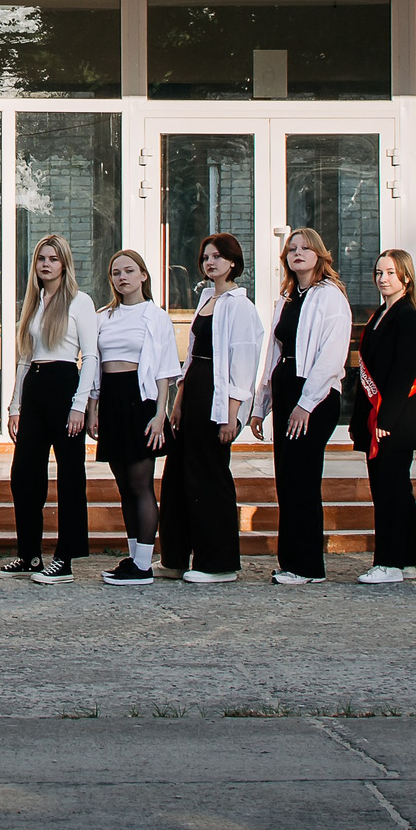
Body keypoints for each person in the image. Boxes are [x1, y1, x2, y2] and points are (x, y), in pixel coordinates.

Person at [158, 232, 261, 586]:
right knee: (177, 478)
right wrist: (178, 402)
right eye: (205, 257)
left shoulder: (240, 306)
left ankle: (219, 562)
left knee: (210, 477)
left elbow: (243, 363)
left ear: (233, 262)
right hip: (195, 390)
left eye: (218, 256)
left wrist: (232, 414)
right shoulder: (204, 299)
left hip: (218, 397)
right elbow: (192, 357)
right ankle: (174, 557)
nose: (210, 262)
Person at [250, 229, 351, 586]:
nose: (297, 253)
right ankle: (290, 561)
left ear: (319, 255)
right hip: (286, 386)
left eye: (305, 248)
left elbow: (331, 356)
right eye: (291, 249)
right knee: (287, 480)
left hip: (316, 395)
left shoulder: (330, 297)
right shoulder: (288, 298)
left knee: (304, 480)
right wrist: (260, 406)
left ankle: (309, 566)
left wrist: (306, 404)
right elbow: (273, 355)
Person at [3, 233, 98, 583]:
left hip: (64, 385)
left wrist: (80, 406)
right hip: (36, 387)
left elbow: (90, 356)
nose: (46, 264)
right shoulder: (35, 302)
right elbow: (25, 358)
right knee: (24, 475)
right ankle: (29, 554)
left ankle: (65, 558)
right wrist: (15, 406)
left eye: (53, 259)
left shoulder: (79, 302)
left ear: (64, 264)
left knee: (70, 474)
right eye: (41, 258)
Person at [95, 249, 179, 586]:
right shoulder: (104, 316)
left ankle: (144, 564)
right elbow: (94, 364)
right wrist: (93, 408)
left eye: (129, 271)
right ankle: (134, 558)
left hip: (141, 401)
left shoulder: (155, 316)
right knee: (123, 486)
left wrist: (161, 414)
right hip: (112, 401)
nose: (122, 278)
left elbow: (165, 370)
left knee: (140, 483)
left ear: (144, 275)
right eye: (116, 272)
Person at [352, 249, 416, 585]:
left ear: (406, 278)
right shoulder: (381, 313)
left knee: (390, 490)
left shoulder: (407, 316)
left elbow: (403, 373)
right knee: (395, 489)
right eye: (379, 273)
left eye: (391, 273)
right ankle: (407, 558)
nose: (383, 279)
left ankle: (389, 562)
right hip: (378, 415)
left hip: (393, 419)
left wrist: (385, 419)